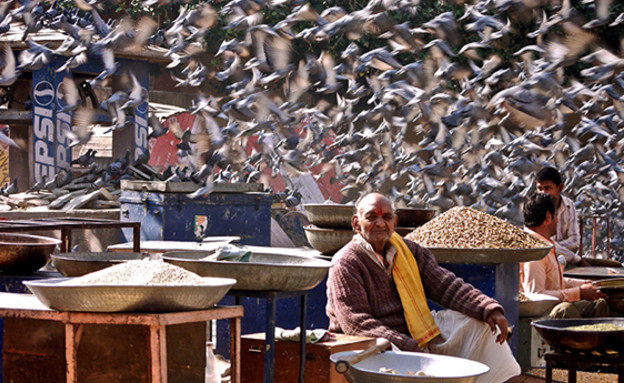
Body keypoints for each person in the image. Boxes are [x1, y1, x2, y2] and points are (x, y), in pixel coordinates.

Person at [326, 193, 521, 383]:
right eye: (371, 217)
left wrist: (487, 308)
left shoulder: (408, 251)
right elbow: (358, 324)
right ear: (356, 223)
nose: (380, 224)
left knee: (479, 327)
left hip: (413, 334)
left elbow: (445, 285)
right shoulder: (346, 263)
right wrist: (407, 345)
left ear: (394, 222)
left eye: (386, 217)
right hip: (374, 345)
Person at [521, 192, 609, 318]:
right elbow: (535, 295)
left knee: (599, 304)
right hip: (541, 314)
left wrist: (585, 284)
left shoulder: (546, 245)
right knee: (566, 310)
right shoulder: (534, 252)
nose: (557, 221)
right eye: (556, 216)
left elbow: (556, 281)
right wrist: (579, 293)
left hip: (553, 305)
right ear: (548, 217)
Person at [535, 167, 588, 267]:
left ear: (560, 188)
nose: (543, 193)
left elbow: (575, 242)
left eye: (547, 188)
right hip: (545, 263)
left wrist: (553, 247)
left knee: (613, 265)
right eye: (540, 189)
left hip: (566, 260)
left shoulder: (568, 205)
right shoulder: (534, 208)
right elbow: (540, 245)